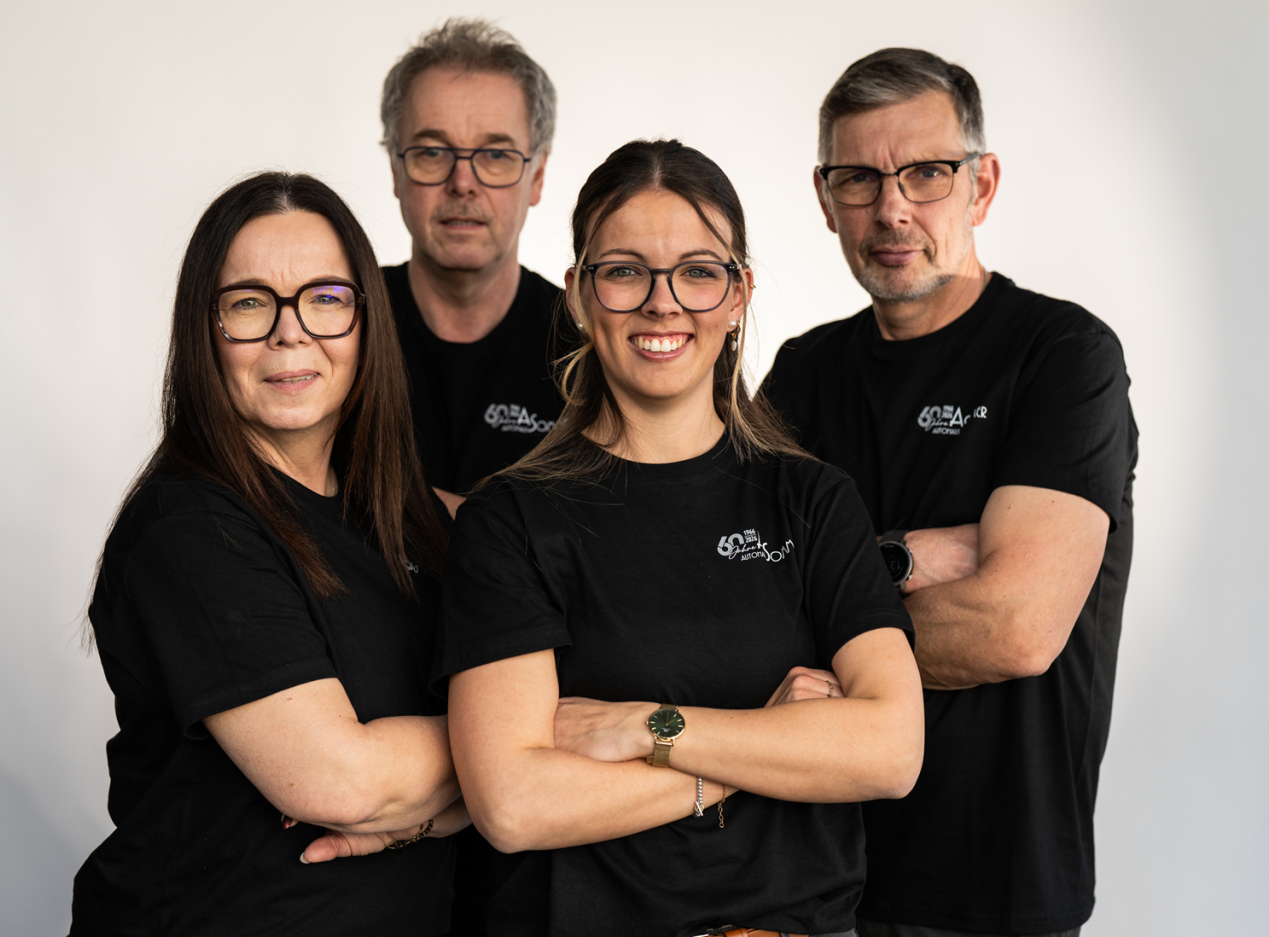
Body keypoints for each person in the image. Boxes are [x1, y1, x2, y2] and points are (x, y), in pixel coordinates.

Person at [438, 139, 926, 937]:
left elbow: (891, 751)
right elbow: (515, 805)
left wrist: (647, 727)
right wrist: (767, 747)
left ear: (739, 295)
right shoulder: (510, 520)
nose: (663, 304)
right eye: (625, 271)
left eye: (698, 272)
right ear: (579, 294)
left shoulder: (812, 501)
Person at [761, 49, 1138, 937]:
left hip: (994, 887)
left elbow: (1014, 628)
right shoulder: (802, 374)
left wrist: (834, 600)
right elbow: (738, 602)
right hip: (810, 877)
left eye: (926, 173)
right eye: (859, 178)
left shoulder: (1060, 356)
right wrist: (912, 558)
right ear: (825, 198)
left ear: (982, 184)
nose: (892, 209)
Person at [70, 172, 466, 936]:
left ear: (365, 321)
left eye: (325, 298)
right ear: (205, 330)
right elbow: (340, 782)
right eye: (249, 303)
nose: (290, 332)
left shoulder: (407, 515)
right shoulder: (189, 530)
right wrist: (515, 750)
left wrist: (425, 812)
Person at [379, 18, 571, 513]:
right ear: (396, 170)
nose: (463, 182)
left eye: (496, 154)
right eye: (432, 151)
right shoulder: (331, 327)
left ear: (537, 176)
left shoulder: (590, 347)